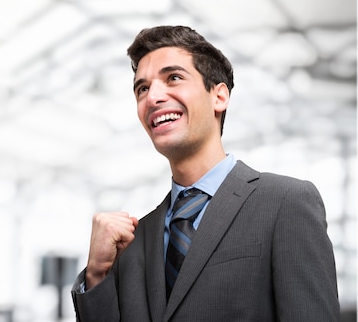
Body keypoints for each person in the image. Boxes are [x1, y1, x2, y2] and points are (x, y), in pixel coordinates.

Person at [70, 25, 340, 321]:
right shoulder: (132, 242)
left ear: (219, 97)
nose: (153, 97)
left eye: (173, 77)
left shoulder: (285, 203)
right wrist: (96, 274)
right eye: (142, 88)